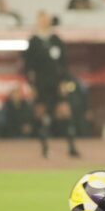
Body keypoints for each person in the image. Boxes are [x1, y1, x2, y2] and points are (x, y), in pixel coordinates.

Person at [23, 11, 79, 157]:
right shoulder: (33, 42)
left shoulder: (56, 39)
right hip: (41, 85)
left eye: (46, 19)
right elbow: (27, 66)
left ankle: (72, 147)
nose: (44, 21)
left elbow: (64, 64)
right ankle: (45, 148)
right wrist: (31, 85)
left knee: (65, 113)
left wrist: (65, 81)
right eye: (41, 19)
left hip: (57, 83)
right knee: (41, 115)